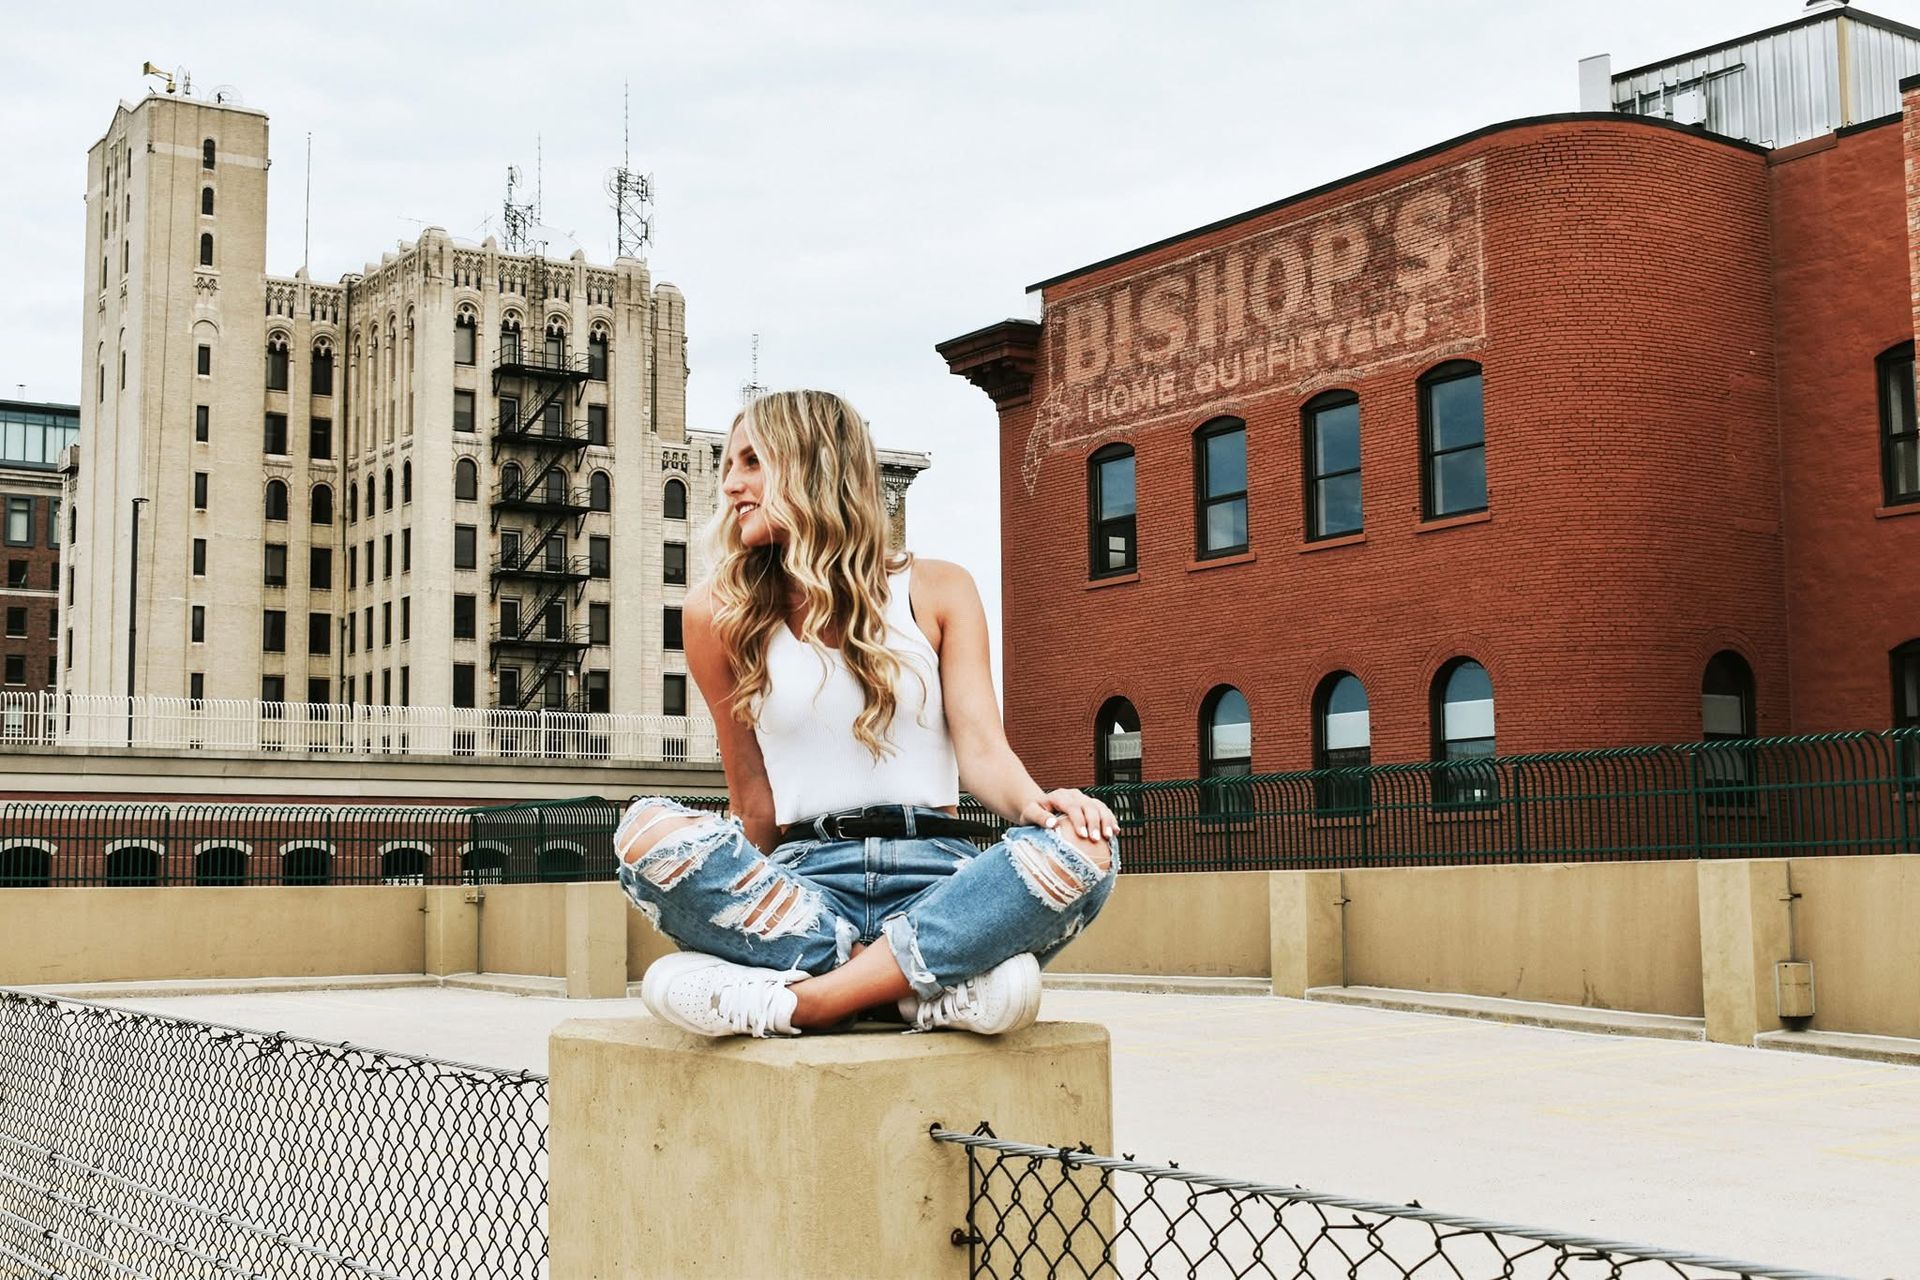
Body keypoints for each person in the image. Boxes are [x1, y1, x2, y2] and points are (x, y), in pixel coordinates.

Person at [615, 389, 1118, 1039]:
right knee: (643, 833)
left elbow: (984, 751)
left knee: (1088, 842)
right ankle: (917, 990)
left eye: (750, 462)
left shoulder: (939, 589)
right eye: (727, 469)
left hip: (942, 882)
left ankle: (817, 1002)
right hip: (808, 895)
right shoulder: (716, 615)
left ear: (813, 467)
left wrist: (1045, 808)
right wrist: (712, 883)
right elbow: (754, 804)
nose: (732, 486)